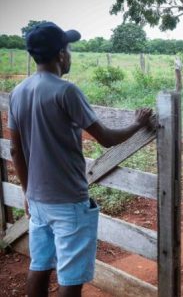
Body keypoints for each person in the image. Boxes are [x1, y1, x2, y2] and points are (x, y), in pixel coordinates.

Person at [8, 22, 153, 297]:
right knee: (71, 279)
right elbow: (107, 138)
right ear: (61, 54)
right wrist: (138, 123)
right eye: (69, 49)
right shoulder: (66, 92)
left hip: (37, 201)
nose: (70, 55)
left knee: (39, 265)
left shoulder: (18, 93)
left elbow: (16, 151)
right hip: (68, 202)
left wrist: (27, 193)